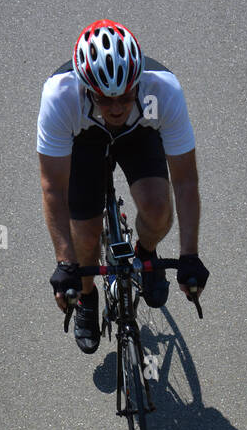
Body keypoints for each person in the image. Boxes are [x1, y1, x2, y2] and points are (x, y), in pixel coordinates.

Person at [37, 19, 209, 352]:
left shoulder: (163, 90)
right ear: (86, 88)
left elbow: (186, 181)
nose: (115, 108)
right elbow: (53, 189)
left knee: (158, 207)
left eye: (125, 96)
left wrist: (190, 255)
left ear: (138, 83)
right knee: (85, 235)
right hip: (83, 139)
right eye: (104, 99)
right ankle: (88, 296)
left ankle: (145, 253)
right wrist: (65, 264)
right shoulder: (60, 97)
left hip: (139, 133)